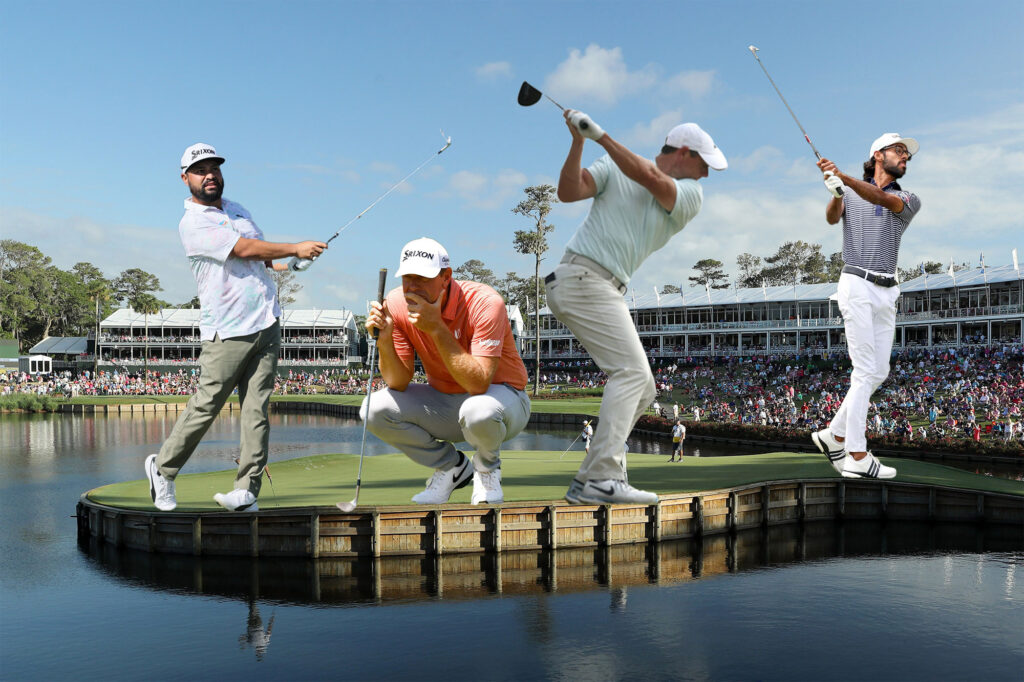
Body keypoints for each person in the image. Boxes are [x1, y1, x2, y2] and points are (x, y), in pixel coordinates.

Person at [545, 109, 727, 504]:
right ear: (684, 153)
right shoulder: (612, 164)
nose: (708, 175)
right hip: (580, 277)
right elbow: (569, 191)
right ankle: (602, 478)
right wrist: (578, 141)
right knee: (631, 374)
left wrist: (599, 135)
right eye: (705, 164)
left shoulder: (690, 195)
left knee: (642, 386)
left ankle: (594, 479)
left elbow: (649, 177)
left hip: (600, 286)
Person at [144, 143, 327, 512]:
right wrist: (294, 247)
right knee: (207, 405)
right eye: (200, 170)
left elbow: (259, 255)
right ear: (185, 179)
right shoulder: (192, 224)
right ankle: (162, 470)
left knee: (256, 411)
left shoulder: (239, 209)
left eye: (214, 167)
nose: (209, 174)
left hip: (266, 321)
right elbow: (243, 250)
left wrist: (290, 265)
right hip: (227, 328)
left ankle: (246, 490)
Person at [363, 237, 531, 505]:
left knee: (478, 410)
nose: (413, 287)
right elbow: (398, 381)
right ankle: (452, 467)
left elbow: (478, 385)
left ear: (446, 277)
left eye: (423, 278)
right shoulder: (396, 303)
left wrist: (437, 327)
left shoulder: (486, 302)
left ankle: (487, 470)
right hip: (446, 404)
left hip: (504, 402)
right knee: (373, 408)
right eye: (408, 277)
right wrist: (385, 339)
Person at [811, 133, 921, 479]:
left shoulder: (907, 198)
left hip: (888, 290)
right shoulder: (852, 193)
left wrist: (842, 178)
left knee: (878, 372)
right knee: (864, 370)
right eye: (899, 150)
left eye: (907, 154)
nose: (905, 157)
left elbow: (880, 199)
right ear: (878, 154)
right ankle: (856, 454)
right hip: (856, 282)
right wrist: (835, 193)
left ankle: (834, 433)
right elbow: (833, 218)